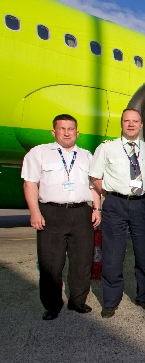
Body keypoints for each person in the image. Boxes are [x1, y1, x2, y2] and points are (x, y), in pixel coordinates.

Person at [21, 114, 101, 320]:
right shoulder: (38, 153)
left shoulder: (86, 156)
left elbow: (93, 186)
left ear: (77, 132)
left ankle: (78, 301)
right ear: (53, 131)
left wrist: (97, 208)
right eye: (62, 128)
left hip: (81, 212)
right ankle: (52, 304)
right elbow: (30, 183)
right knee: (51, 262)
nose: (67, 132)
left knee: (82, 260)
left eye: (71, 129)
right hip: (51, 213)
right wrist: (35, 212)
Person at [89, 108, 145, 318]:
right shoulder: (107, 148)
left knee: (144, 254)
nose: (131, 124)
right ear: (121, 123)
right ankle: (110, 301)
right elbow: (95, 176)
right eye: (127, 121)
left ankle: (144, 296)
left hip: (141, 205)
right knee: (112, 255)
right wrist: (110, 193)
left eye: (135, 121)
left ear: (141, 124)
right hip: (115, 204)